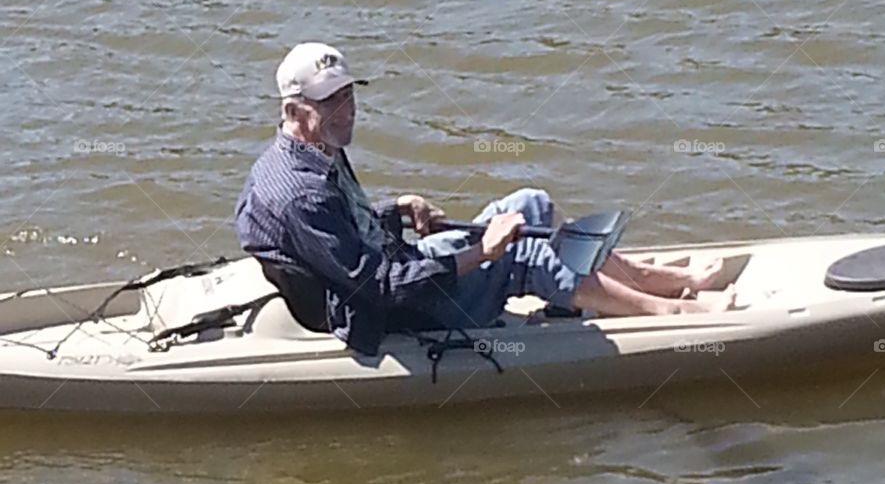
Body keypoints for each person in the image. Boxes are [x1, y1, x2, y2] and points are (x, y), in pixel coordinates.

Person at [235, 42, 736, 356]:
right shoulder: (302, 192)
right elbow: (381, 289)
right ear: (295, 110)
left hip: (402, 268)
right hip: (400, 312)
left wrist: (398, 211)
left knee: (530, 202)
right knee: (524, 251)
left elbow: (347, 232)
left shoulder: (312, 149)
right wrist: (483, 254)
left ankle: (667, 281)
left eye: (349, 94)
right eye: (332, 101)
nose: (349, 110)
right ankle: (666, 315)